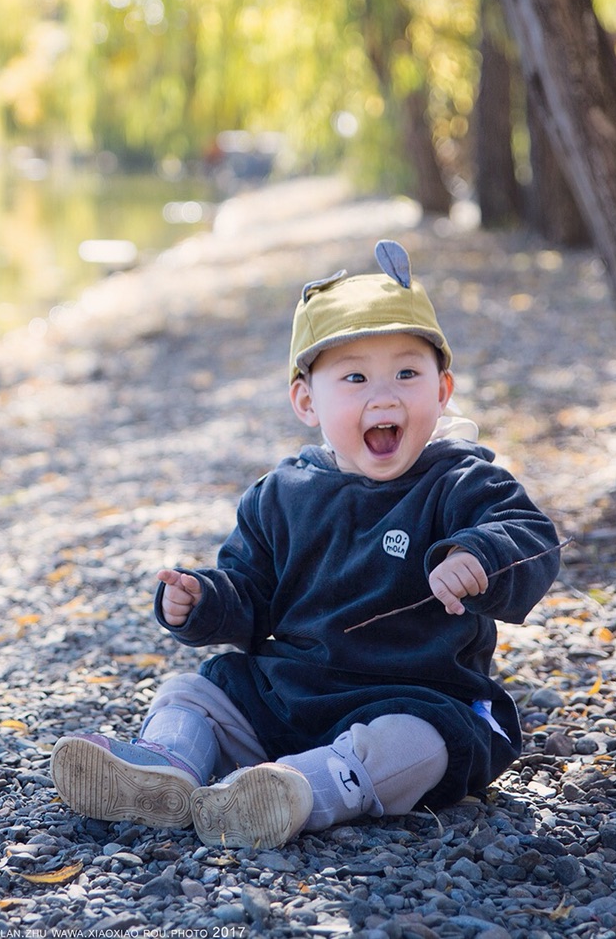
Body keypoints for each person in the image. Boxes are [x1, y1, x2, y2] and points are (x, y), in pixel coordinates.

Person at [50, 240, 560, 848]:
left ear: (443, 389)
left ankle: (298, 789)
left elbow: (528, 535)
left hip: (412, 694)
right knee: (198, 689)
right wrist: (204, 601)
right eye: (354, 377)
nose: (384, 395)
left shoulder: (460, 480)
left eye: (407, 372)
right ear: (305, 400)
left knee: (424, 742)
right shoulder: (282, 495)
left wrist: (477, 557)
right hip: (288, 698)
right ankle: (167, 770)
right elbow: (250, 592)